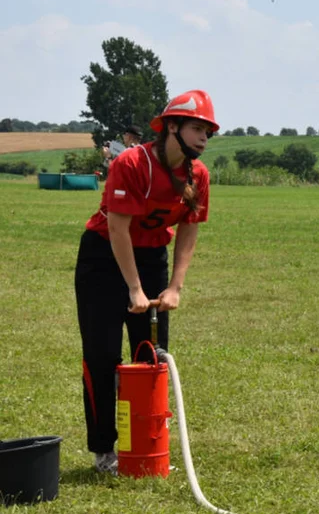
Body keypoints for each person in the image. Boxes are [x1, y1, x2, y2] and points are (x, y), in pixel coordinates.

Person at [76, 91, 219, 474]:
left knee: (151, 357)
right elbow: (119, 228)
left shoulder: (198, 176)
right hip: (104, 259)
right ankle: (105, 449)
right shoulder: (131, 162)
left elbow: (188, 231)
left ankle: (146, 445)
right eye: (196, 128)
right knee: (103, 355)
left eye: (208, 131)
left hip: (152, 258)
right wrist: (134, 290)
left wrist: (174, 287)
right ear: (171, 127)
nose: (204, 138)